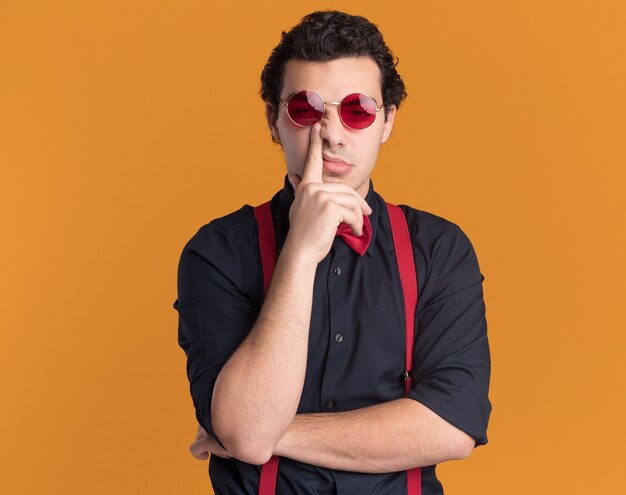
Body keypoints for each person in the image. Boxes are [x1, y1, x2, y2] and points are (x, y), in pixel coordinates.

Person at [175, 10, 491, 495]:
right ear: (273, 120)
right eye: (306, 108)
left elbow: (452, 425)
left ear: (386, 121)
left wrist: (268, 435)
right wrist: (299, 253)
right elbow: (243, 428)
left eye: (358, 110)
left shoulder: (440, 250)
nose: (331, 134)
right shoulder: (217, 252)